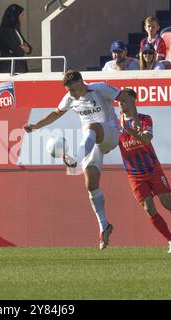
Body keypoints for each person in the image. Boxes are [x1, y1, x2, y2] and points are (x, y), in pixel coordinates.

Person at [23, 70, 139, 250]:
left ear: (82, 82)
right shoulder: (70, 98)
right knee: (91, 185)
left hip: (110, 133)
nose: (72, 94)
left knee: (92, 127)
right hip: (91, 141)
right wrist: (35, 126)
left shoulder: (100, 89)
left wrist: (134, 120)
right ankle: (104, 226)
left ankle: (76, 159)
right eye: (69, 91)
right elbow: (56, 113)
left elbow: (126, 97)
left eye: (75, 90)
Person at [117, 88, 171, 253]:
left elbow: (146, 139)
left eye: (125, 100)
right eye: (120, 100)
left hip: (153, 169)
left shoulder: (145, 119)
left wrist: (129, 130)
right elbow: (107, 142)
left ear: (133, 101)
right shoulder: (114, 124)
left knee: (167, 202)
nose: (121, 103)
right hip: (134, 174)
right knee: (148, 208)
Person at [0, 3, 32, 73]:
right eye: (22, 15)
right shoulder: (6, 31)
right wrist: (25, 49)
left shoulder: (15, 30)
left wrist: (27, 49)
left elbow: (29, 48)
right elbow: (18, 51)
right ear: (15, 16)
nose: (23, 18)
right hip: (10, 68)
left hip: (19, 67)